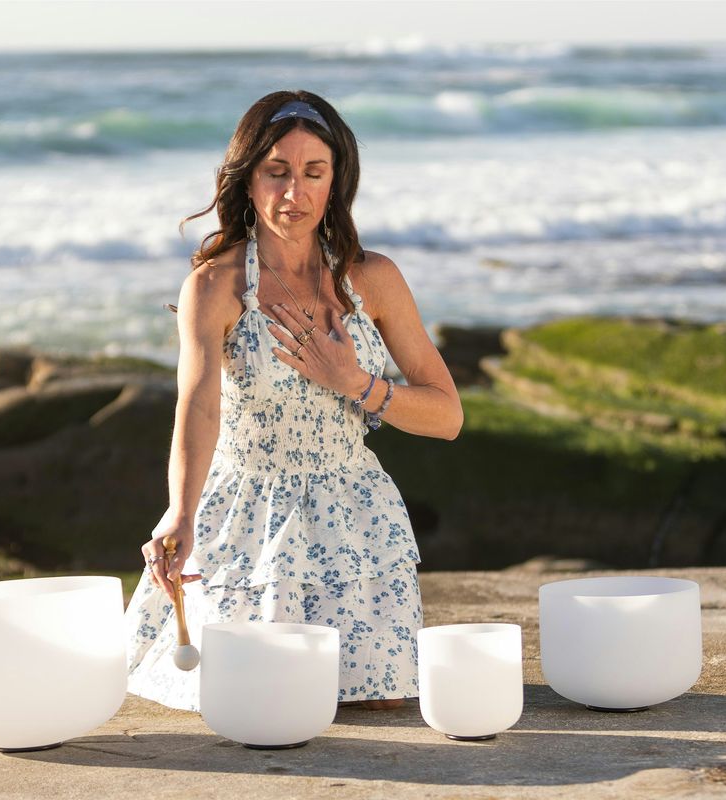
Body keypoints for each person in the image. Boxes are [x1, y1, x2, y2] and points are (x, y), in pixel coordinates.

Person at [124, 90, 462, 711]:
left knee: (376, 701)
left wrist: (355, 382)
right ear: (247, 179)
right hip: (247, 521)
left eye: (313, 173)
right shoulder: (215, 285)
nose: (293, 193)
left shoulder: (373, 279)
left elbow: (447, 416)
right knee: (257, 696)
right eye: (276, 171)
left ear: (336, 181)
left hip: (357, 520)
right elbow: (197, 408)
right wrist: (180, 512)